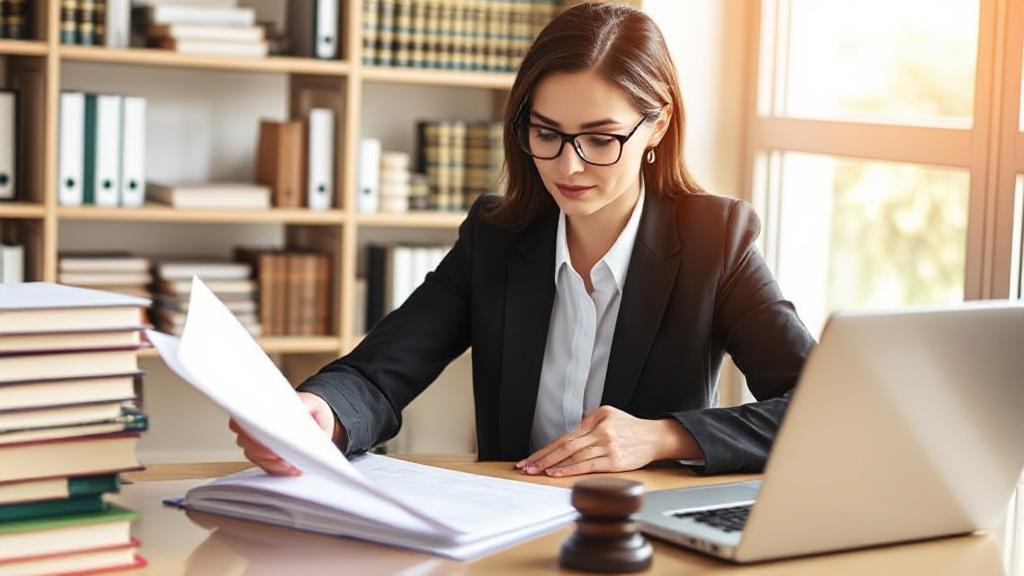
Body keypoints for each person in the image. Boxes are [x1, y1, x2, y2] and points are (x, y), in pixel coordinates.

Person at [230, 2, 815, 479]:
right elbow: (378, 375)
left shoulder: (714, 242)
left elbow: (818, 412)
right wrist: (319, 415)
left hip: (641, 540)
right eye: (547, 133)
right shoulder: (496, 237)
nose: (570, 166)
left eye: (601, 139)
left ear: (656, 124)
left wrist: (662, 436)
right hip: (509, 532)